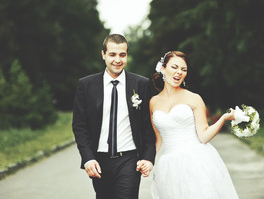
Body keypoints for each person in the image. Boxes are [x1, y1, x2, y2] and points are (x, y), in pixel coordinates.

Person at [72, 34, 156, 199]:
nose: (117, 59)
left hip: (129, 160)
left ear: (126, 55)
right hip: (99, 161)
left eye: (122, 55)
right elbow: (79, 126)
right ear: (103, 54)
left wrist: (148, 157)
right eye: (112, 54)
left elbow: (147, 125)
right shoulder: (86, 85)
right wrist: (88, 158)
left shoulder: (141, 84)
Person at [148, 51, 239, 199]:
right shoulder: (153, 102)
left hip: (196, 160)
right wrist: (148, 161)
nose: (179, 72)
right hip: (168, 167)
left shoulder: (194, 98)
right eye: (175, 67)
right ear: (163, 68)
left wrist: (223, 118)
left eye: (184, 70)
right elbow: (157, 141)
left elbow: (203, 136)